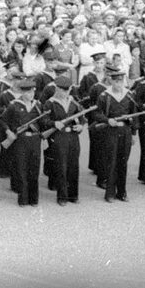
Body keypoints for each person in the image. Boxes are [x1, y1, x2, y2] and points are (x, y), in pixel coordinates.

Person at [94, 63, 138, 203]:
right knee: (111, 162)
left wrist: (133, 133)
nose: (119, 84)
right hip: (111, 132)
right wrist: (107, 120)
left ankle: (122, 192)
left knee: (123, 162)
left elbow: (134, 114)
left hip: (125, 131)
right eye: (116, 81)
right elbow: (96, 114)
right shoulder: (104, 96)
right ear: (111, 81)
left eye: (121, 81)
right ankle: (110, 193)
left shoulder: (129, 95)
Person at [43, 74, 84, 205]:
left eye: (67, 90)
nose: (65, 92)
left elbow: (82, 118)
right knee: (61, 167)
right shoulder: (50, 103)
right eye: (62, 90)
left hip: (72, 136)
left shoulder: (74, 102)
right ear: (57, 89)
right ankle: (62, 197)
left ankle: (73, 195)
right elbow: (44, 120)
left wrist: (80, 126)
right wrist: (53, 124)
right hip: (59, 137)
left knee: (74, 166)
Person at [2, 78, 43, 206]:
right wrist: (8, 132)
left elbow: (43, 123)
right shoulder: (14, 105)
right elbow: (3, 121)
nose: (30, 95)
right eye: (27, 92)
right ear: (22, 92)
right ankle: (23, 199)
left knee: (34, 169)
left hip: (35, 140)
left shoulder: (38, 105)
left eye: (32, 92)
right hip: (20, 140)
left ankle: (34, 199)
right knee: (21, 168)